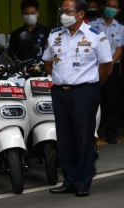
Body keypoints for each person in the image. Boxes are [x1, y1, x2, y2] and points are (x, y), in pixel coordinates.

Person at [43, 0, 112, 197]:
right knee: (64, 138)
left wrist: (89, 86)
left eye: (67, 11)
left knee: (83, 137)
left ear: (80, 14)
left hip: (85, 92)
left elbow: (107, 68)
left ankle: (83, 182)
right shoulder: (55, 35)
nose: (63, 14)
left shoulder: (96, 36)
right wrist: (59, 79)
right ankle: (69, 180)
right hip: (59, 91)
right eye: (61, 11)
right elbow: (48, 63)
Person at [89, 0, 123, 144]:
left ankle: (111, 133)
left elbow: (120, 50)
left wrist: (109, 64)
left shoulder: (121, 27)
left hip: (112, 68)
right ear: (103, 7)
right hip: (94, 67)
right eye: (109, 6)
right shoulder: (92, 24)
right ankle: (92, 132)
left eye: (114, 7)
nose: (111, 9)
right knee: (93, 100)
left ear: (119, 10)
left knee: (112, 101)